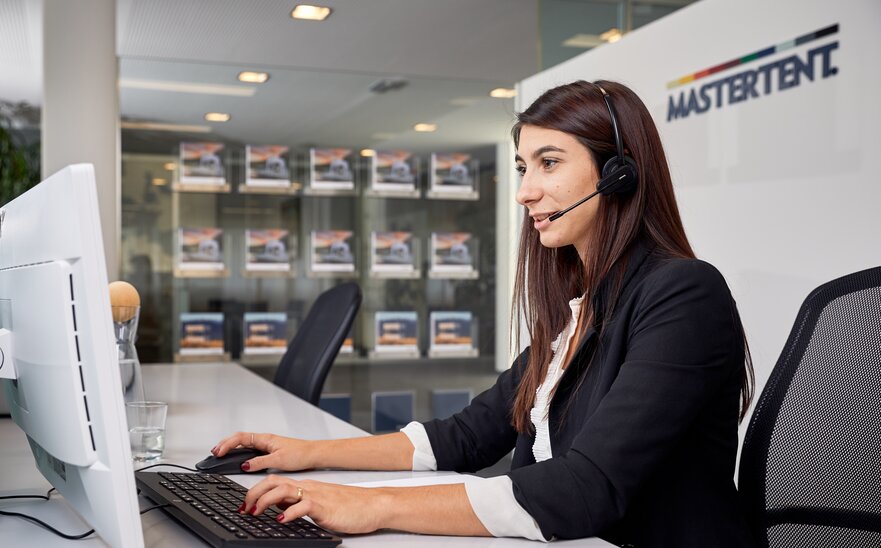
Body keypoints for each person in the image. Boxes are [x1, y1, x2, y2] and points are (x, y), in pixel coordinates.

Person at [211, 80, 756, 547]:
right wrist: (309, 454)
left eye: (549, 163)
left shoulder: (683, 294)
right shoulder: (579, 309)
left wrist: (371, 505)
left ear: (619, 175)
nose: (524, 191)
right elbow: (466, 437)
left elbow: (587, 487)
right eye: (523, 166)